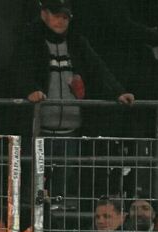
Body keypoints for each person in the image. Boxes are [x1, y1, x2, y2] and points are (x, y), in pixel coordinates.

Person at [15, 0, 135, 136]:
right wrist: (30, 89)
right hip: (38, 132)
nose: (61, 21)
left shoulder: (77, 43)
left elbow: (98, 69)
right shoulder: (30, 41)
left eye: (65, 17)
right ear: (44, 14)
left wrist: (119, 92)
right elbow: (20, 71)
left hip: (73, 132)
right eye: (56, 15)